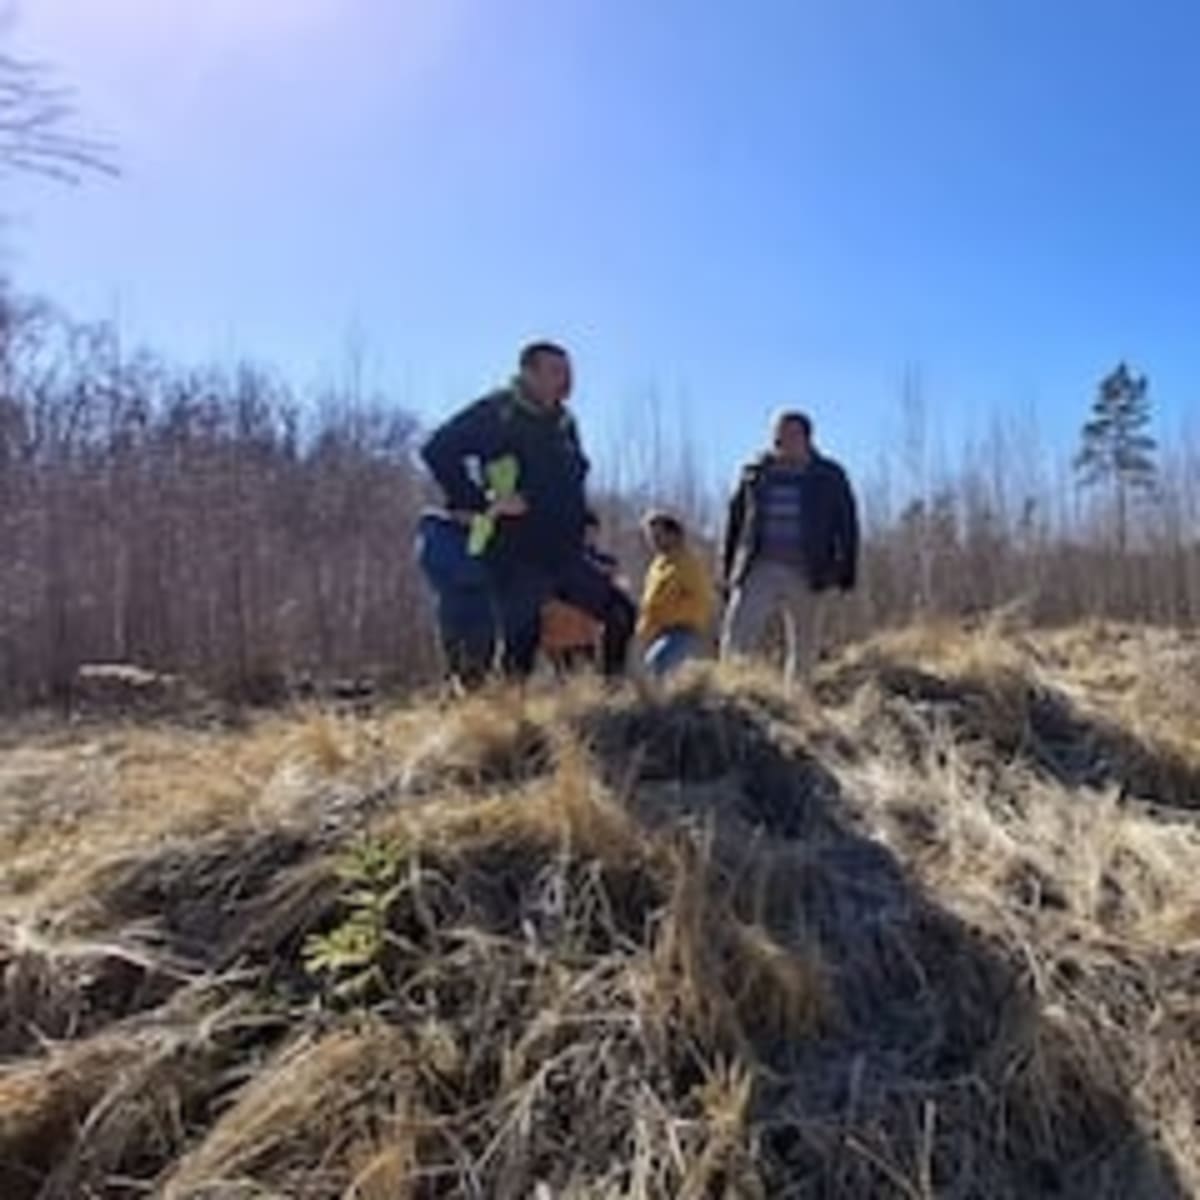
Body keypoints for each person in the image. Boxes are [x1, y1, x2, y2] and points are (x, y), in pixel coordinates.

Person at [421, 342, 636, 682]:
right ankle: (509, 722)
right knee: (522, 642)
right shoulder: (497, 412)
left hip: (564, 551)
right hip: (516, 551)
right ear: (528, 373)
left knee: (621, 612)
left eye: (569, 373)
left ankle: (613, 698)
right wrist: (479, 501)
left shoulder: (565, 423)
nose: (566, 380)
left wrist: (587, 521)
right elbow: (436, 450)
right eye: (555, 371)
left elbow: (571, 481)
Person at [721, 411, 858, 685]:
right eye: (777, 436)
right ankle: (729, 694)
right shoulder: (755, 473)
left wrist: (845, 571)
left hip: (809, 569)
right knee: (737, 635)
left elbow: (847, 523)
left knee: (804, 647)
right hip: (759, 566)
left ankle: (797, 705)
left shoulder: (829, 475)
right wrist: (728, 569)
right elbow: (735, 523)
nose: (781, 442)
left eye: (788, 435)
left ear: (806, 437)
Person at [638, 511, 715, 678]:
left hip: (683, 631)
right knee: (647, 672)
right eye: (650, 536)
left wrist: (675, 613)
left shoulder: (687, 563)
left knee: (659, 664)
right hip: (657, 633)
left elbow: (701, 598)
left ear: (673, 534)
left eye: (658, 535)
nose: (653, 540)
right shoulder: (657, 565)